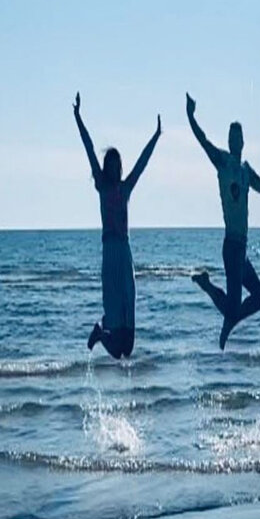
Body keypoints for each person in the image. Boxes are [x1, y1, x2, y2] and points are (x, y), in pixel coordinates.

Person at [186, 93, 260, 349]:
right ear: (229, 141)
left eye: (237, 137)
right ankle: (209, 290)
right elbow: (203, 142)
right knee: (233, 307)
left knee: (258, 297)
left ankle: (226, 314)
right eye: (230, 137)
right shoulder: (223, 163)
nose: (233, 141)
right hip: (231, 246)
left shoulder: (246, 171)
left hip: (243, 248)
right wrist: (191, 116)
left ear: (243, 142)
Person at [74, 92, 160, 359]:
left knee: (128, 345)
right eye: (111, 165)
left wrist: (156, 135)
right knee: (116, 351)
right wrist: (78, 117)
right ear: (105, 168)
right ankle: (101, 332)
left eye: (118, 164)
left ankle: (104, 332)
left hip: (125, 252)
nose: (115, 169)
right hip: (109, 253)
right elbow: (89, 149)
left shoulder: (125, 188)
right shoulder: (101, 186)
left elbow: (143, 164)